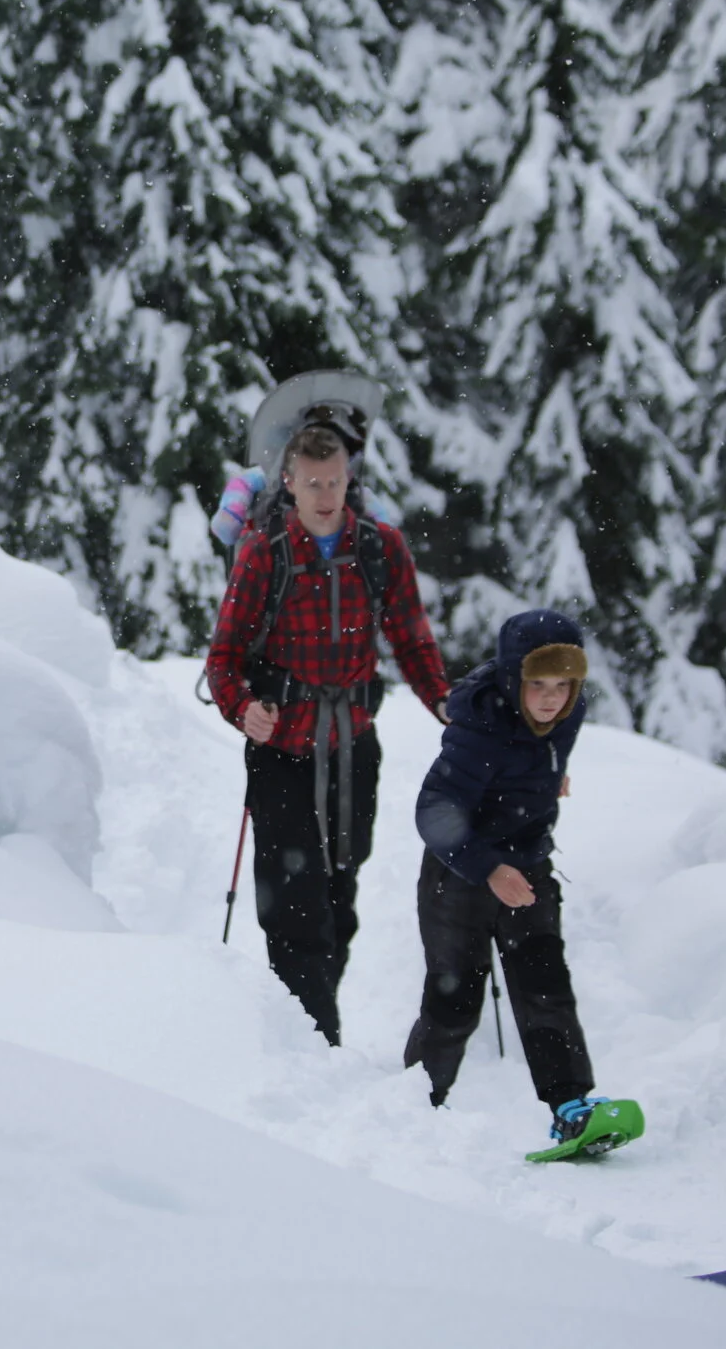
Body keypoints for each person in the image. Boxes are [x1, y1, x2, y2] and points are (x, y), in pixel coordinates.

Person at [204, 423, 451, 1045]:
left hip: (352, 746)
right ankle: (315, 1038)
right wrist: (242, 709)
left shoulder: (379, 547)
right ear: (288, 482)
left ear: (349, 480)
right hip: (282, 750)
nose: (324, 495)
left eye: (335, 482)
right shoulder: (266, 551)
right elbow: (223, 657)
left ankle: (312, 1013)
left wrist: (445, 703)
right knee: (293, 901)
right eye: (312, 483)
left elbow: (412, 638)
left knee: (340, 893)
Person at [403, 607, 609, 1144]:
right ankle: (412, 1109)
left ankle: (572, 1109)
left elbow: (542, 750)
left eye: (563, 684)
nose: (550, 698)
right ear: (513, 678)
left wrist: (548, 777)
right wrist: (489, 868)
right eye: (537, 683)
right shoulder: (480, 728)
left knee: (546, 990)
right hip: (461, 874)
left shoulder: (570, 711)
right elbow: (433, 811)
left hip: (530, 864)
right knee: (454, 1001)